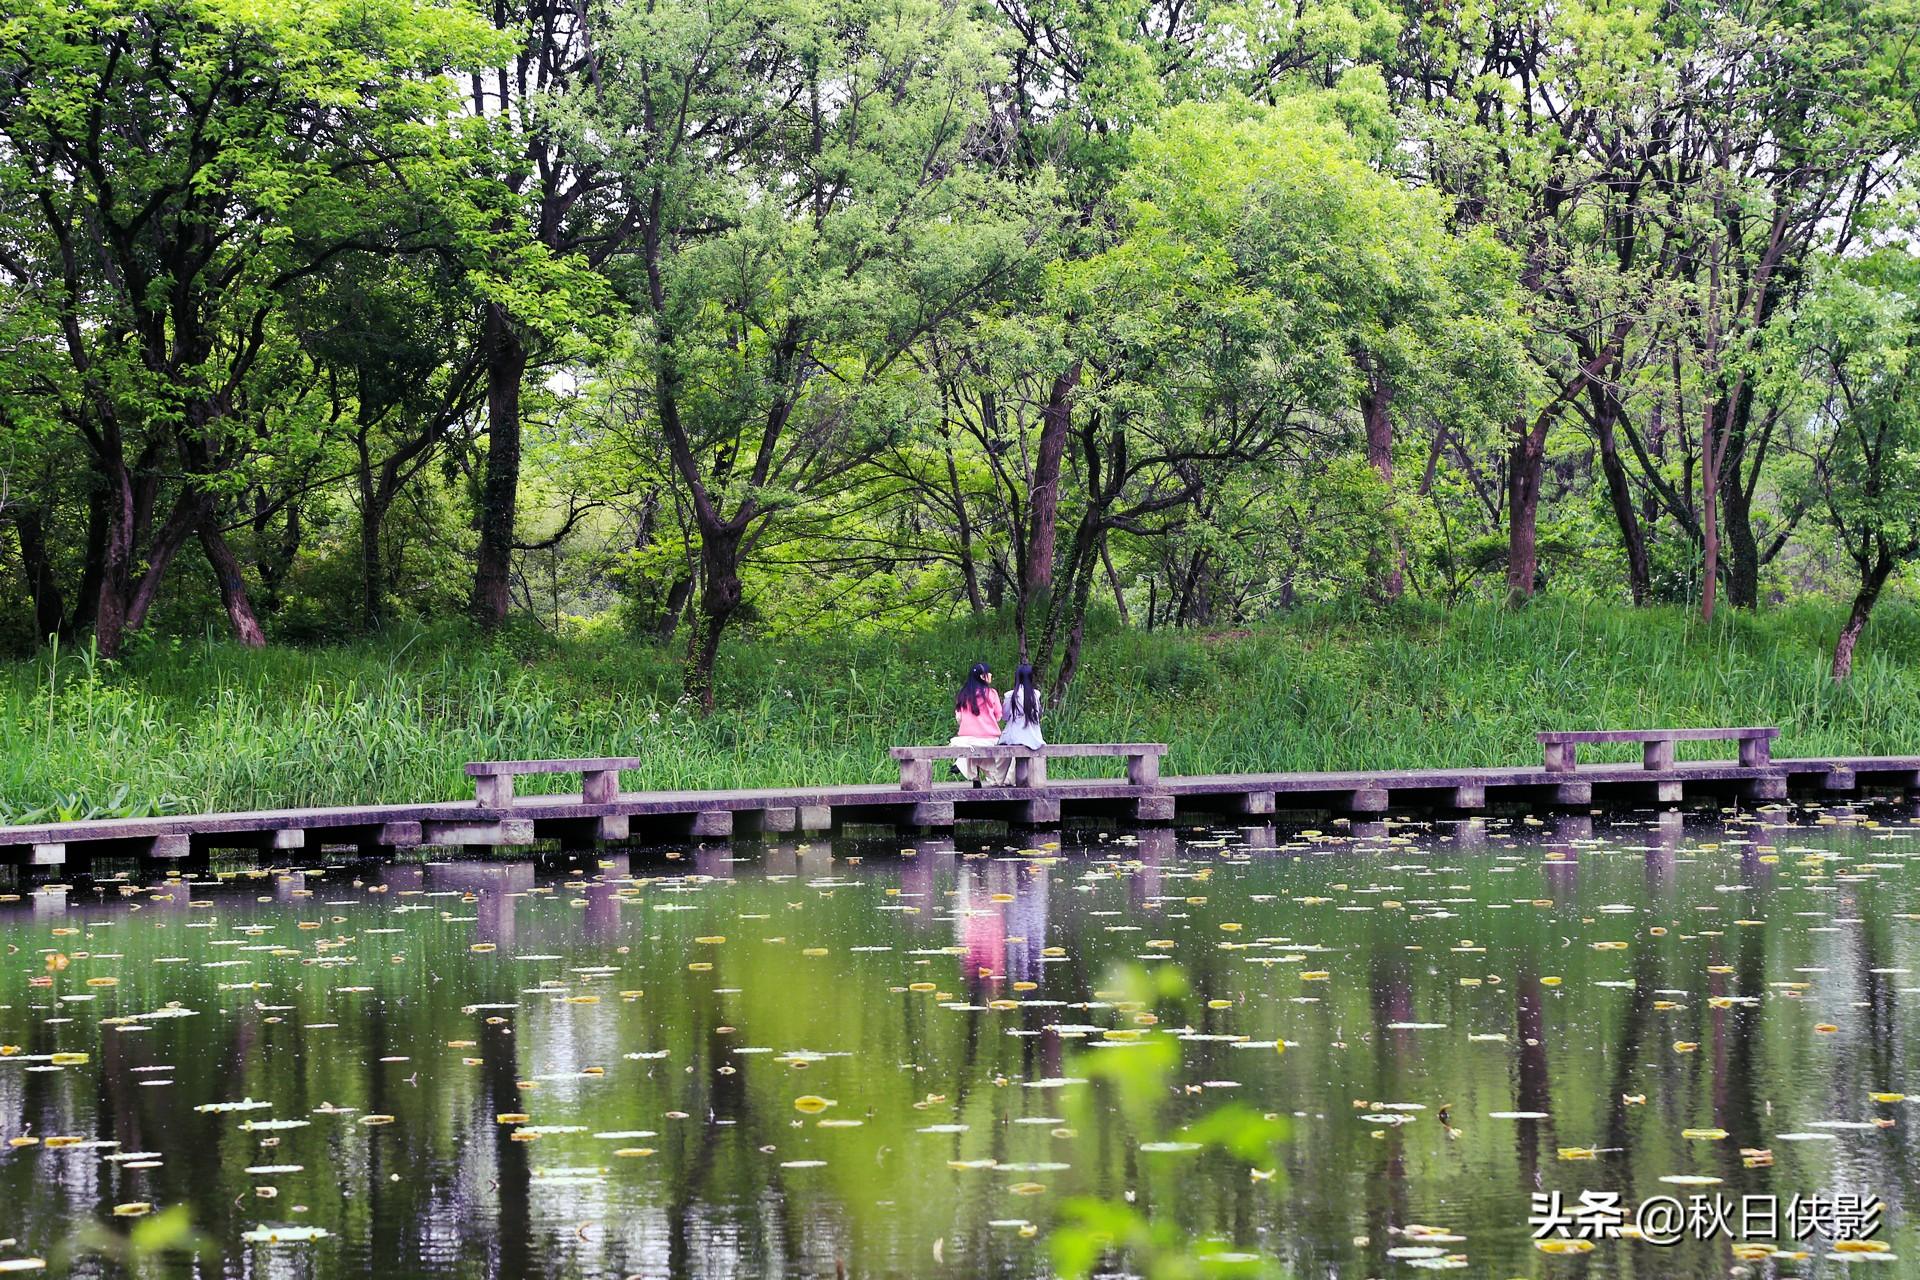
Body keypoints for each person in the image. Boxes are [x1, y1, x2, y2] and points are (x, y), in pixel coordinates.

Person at [949, 662, 1004, 786]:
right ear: (982, 676)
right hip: (988, 737)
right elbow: (998, 716)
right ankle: (969, 770)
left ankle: (972, 775)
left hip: (966, 737)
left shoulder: (963, 694)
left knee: (970, 746)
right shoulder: (991, 693)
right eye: (988, 673)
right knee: (980, 747)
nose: (990, 675)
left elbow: (959, 717)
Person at [997, 663, 1044, 757]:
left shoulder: (1010, 695)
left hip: (1014, 737)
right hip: (1034, 738)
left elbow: (1005, 716)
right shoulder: (1035, 695)